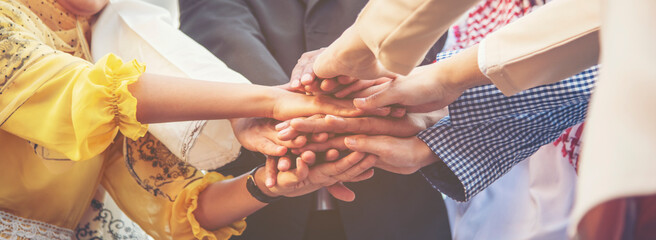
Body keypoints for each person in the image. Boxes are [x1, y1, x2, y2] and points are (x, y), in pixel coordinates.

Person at [0, 0, 380, 239]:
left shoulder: (103, 44)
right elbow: (83, 90)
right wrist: (266, 102)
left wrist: (268, 184)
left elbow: (176, 205)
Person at [178, 1, 451, 239]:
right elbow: (215, 20)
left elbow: (420, 13)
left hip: (393, 197)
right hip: (258, 197)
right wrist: (282, 108)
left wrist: (350, 85)